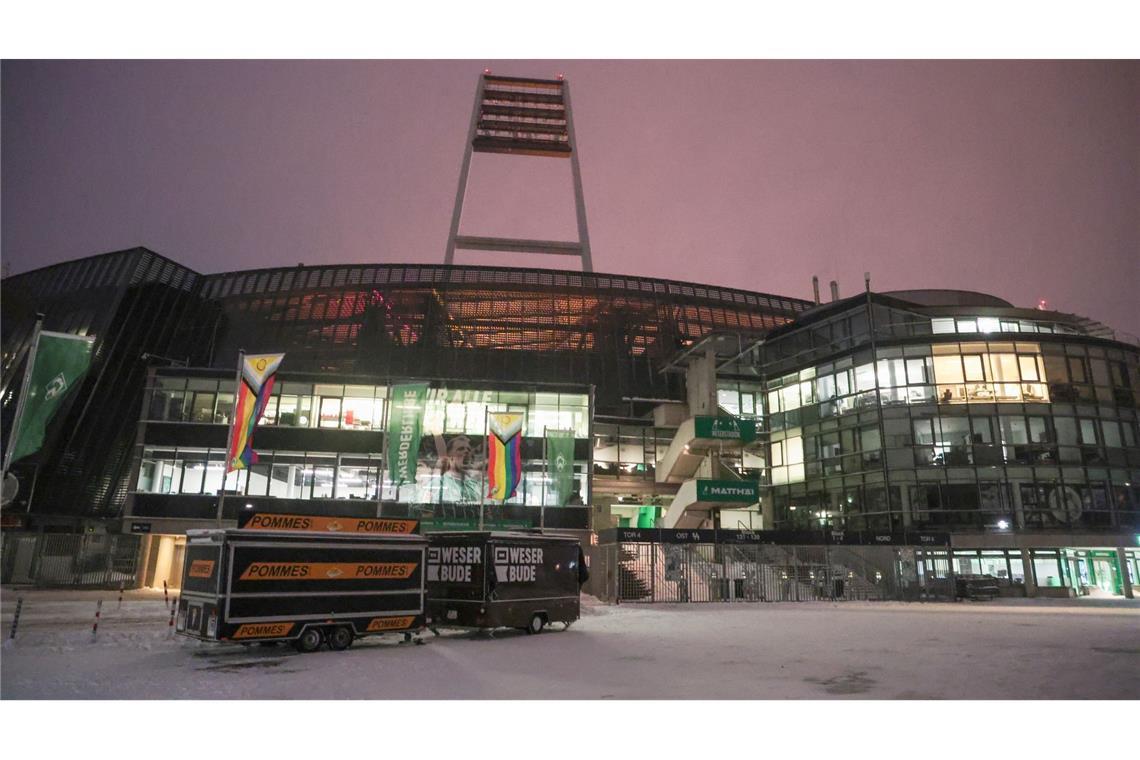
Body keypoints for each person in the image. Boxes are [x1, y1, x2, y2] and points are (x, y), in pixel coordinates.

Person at [437, 434, 482, 503]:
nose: (467, 451)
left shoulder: (476, 484)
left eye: (469, 449)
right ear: (449, 456)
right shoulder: (439, 482)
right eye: (461, 449)